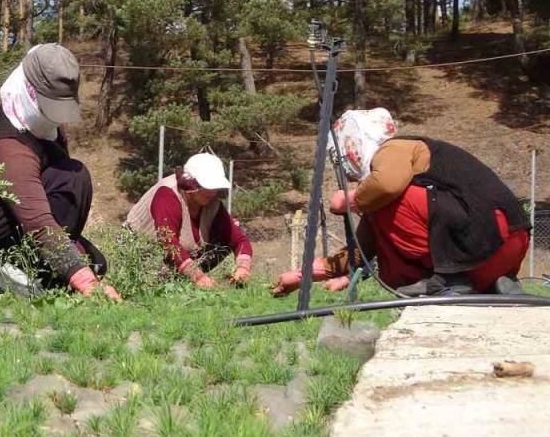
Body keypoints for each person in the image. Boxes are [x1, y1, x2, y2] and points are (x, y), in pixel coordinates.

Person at [272, 108, 530, 297]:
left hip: (486, 234)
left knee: (386, 203)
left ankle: (451, 280)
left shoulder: (395, 149)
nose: (349, 175)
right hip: (505, 244)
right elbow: (362, 249)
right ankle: (494, 282)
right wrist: (300, 276)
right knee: (381, 211)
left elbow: (386, 185)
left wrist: (351, 201)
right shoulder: (414, 173)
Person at [0, 44, 120, 299]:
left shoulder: (41, 128)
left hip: (15, 225)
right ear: (31, 92)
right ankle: (3, 272)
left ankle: (42, 268)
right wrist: (87, 283)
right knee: (80, 265)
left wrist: (75, 254)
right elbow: (37, 222)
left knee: (95, 255)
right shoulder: (7, 146)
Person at [126, 153, 253, 288]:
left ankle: (183, 282)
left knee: (226, 238)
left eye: (214, 187)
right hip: (140, 259)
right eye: (206, 186)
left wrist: (243, 268)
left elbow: (239, 239)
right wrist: (197, 276)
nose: (211, 192)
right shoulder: (167, 194)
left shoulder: (212, 204)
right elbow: (168, 242)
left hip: (176, 260)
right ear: (190, 183)